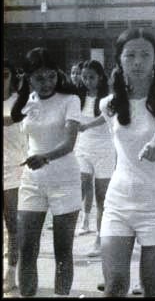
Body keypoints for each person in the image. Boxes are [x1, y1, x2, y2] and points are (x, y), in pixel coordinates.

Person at [99, 28, 155, 297]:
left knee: (152, 289)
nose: (137, 62)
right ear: (119, 60)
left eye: (145, 55)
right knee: (115, 284)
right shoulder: (108, 105)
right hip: (118, 201)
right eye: (130, 55)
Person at [6, 47, 82, 297]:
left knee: (62, 250)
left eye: (51, 76)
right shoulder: (26, 102)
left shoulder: (70, 100)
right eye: (39, 78)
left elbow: (69, 143)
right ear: (28, 78)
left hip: (65, 181)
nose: (47, 82)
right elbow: (10, 120)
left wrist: (45, 157)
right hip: (32, 181)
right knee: (27, 247)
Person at [75, 60, 114, 257]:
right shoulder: (77, 96)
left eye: (91, 77)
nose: (87, 81)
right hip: (83, 147)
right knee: (82, 184)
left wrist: (87, 125)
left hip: (104, 150)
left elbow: (107, 117)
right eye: (84, 77)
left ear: (100, 77)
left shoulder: (108, 97)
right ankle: (83, 220)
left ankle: (100, 238)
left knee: (101, 196)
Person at [3, 59, 28, 293]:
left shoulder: (20, 101)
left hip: (13, 169)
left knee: (12, 223)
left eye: (5, 75)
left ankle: (10, 272)